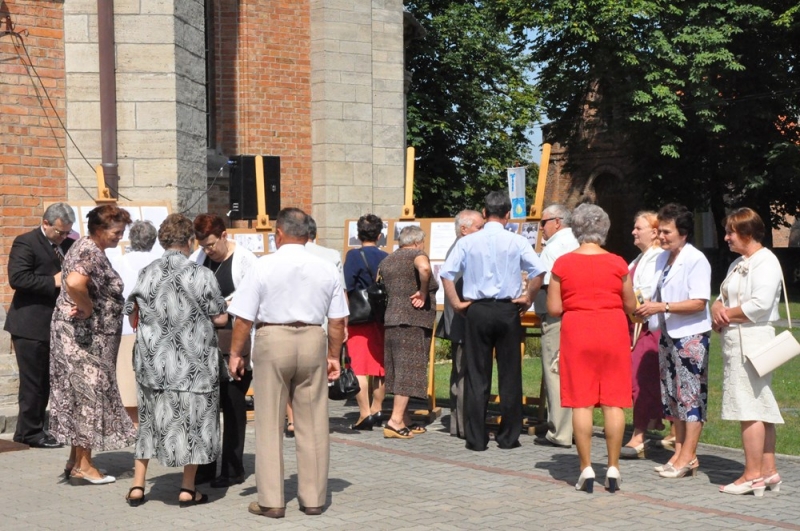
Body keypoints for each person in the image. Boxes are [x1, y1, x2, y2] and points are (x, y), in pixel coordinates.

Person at [227, 208, 348, 518]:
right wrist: (334, 356)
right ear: (307, 234)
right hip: (312, 337)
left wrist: (236, 353)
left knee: (269, 421)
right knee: (314, 422)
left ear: (278, 233)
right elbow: (338, 320)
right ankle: (314, 499)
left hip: (273, 338)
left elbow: (243, 318)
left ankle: (272, 500)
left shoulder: (262, 265)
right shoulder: (326, 267)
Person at [124, 213, 228, 507]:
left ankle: (137, 485)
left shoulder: (147, 272)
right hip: (193, 364)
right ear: (190, 241)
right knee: (192, 423)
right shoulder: (201, 274)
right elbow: (220, 317)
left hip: (154, 363)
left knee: (148, 421)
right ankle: (186, 488)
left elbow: (132, 313)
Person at [441, 191, 546, 451]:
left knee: (477, 374)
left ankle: (476, 438)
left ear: (484, 213)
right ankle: (509, 437)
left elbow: (446, 273)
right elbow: (539, 271)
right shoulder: (517, 241)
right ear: (508, 214)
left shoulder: (468, 241)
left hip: (477, 309)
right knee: (510, 374)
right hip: (507, 309)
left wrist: (456, 303)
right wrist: (528, 298)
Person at [547, 204, 637, 493]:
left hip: (578, 330)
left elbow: (554, 308)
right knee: (614, 400)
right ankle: (613, 467)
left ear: (576, 229)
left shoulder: (563, 264)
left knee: (581, 401)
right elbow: (630, 304)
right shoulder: (618, 263)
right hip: (612, 329)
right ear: (604, 229)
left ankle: (585, 468)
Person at [49, 205, 136, 485]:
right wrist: (86, 308)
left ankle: (76, 460)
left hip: (83, 338)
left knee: (80, 395)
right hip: (87, 341)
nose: (120, 237)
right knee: (89, 396)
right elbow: (75, 282)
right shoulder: (89, 251)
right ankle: (84, 466)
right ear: (99, 229)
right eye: (116, 232)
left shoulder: (85, 247)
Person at [634, 203, 712, 479]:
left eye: (667, 232)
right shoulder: (662, 259)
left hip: (690, 337)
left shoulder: (696, 259)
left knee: (691, 398)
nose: (661, 236)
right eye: (659, 231)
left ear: (683, 233)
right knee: (673, 397)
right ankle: (678, 453)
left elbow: (699, 302)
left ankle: (689, 455)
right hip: (667, 335)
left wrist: (662, 306)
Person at [712, 208, 784, 496]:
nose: (726, 238)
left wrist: (725, 314)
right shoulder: (738, 263)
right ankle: (768, 470)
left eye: (731, 232)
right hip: (736, 341)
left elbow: (760, 304)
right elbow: (723, 295)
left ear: (747, 233)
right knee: (760, 405)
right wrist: (717, 306)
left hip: (754, 341)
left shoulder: (766, 261)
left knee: (749, 407)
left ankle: (752, 474)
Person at [191, 214, 258, 488]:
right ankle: (205, 466)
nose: (208, 250)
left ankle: (232, 468)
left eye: (211, 244)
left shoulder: (245, 260)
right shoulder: (197, 259)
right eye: (203, 246)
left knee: (233, 405)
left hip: (235, 343)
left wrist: (224, 308)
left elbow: (252, 300)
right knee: (205, 408)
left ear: (224, 236)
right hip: (204, 345)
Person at [5, 202, 75, 450]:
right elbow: (17, 278)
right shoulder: (26, 242)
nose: (64, 236)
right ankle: (30, 433)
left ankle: (30, 430)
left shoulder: (68, 244)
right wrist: (52, 282)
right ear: (46, 223)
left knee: (45, 380)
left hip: (56, 324)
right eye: (59, 231)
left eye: (67, 232)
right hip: (30, 324)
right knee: (33, 382)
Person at [380, 226, 439, 439]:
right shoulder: (417, 254)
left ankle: (404, 418)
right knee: (408, 371)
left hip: (392, 319)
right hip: (412, 320)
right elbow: (424, 269)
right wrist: (422, 291)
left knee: (397, 370)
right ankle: (395, 421)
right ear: (416, 242)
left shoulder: (387, 260)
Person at [532, 204, 579, 449]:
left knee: (555, 371)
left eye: (544, 222)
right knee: (573, 372)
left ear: (557, 222)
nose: (541, 228)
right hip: (577, 316)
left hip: (556, 317)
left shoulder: (553, 248)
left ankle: (560, 431)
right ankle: (575, 427)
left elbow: (548, 284)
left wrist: (528, 296)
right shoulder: (578, 242)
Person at [435, 210, 484, 439]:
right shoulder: (463, 250)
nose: (482, 232)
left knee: (460, 373)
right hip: (463, 321)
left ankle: (459, 424)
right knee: (464, 373)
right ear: (464, 229)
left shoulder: (460, 247)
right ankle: (465, 425)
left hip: (460, 320)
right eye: (478, 227)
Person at [621, 211, 666, 459]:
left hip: (649, 327)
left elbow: (645, 291)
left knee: (642, 380)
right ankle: (668, 430)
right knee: (646, 380)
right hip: (636, 326)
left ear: (654, 232)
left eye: (639, 228)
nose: (633, 232)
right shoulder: (639, 258)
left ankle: (639, 435)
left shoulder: (658, 258)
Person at [110, 220, 161, 428]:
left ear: (131, 239)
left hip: (126, 326)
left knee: (128, 379)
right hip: (157, 328)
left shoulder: (119, 262)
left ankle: (134, 425)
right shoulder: (160, 261)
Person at [342, 214, 389, 430]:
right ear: (379, 236)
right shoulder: (386, 257)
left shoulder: (353, 256)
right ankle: (377, 408)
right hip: (380, 317)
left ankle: (364, 414)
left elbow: (347, 287)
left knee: (358, 366)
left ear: (358, 235)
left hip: (359, 318)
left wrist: (343, 317)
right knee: (379, 366)